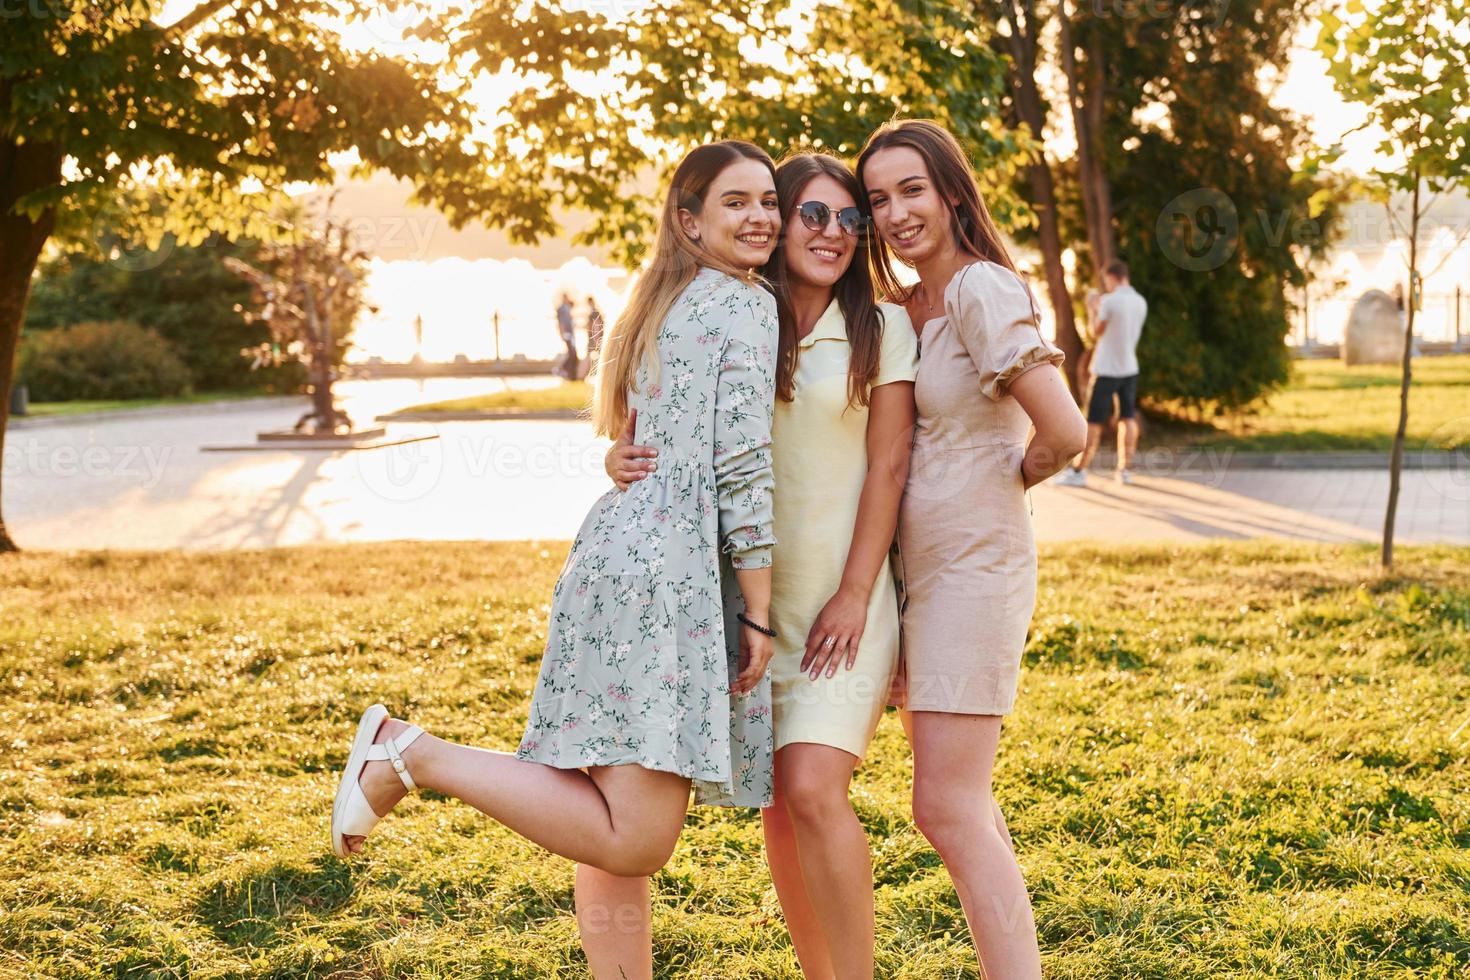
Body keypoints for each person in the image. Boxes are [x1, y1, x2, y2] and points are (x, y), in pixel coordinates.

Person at [328, 140, 783, 980]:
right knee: (637, 836)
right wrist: (757, 608)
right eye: (736, 202)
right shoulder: (747, 304)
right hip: (665, 579)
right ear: (690, 220)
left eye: (768, 202)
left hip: (614, 553)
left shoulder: (666, 298)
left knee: (603, 813)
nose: (761, 217)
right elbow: (743, 464)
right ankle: (409, 753)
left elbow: (639, 439)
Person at [607, 150, 919, 979]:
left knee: (816, 790)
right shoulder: (736, 310)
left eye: (852, 221)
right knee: (779, 805)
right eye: (813, 214)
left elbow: (889, 469)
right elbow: (664, 428)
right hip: (742, 603)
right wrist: (619, 457)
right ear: (781, 224)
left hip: (842, 603)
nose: (835, 234)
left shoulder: (884, 329)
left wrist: (857, 595)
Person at [856, 118, 1087, 980]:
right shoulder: (908, 306)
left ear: (952, 193)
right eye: (878, 199)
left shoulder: (980, 289)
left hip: (975, 575)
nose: (896, 212)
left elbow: (1065, 432)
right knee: (964, 803)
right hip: (914, 580)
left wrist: (996, 481)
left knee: (944, 807)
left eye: (911, 190)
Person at [1059, 259, 1148, 486]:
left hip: (1107, 369)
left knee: (1093, 421)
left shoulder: (1109, 301)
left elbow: (1096, 332)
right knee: (1127, 418)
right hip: (1129, 368)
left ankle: (1079, 471)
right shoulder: (1140, 302)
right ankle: (1124, 469)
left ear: (1112, 277)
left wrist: (1092, 309)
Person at [555, 292, 578, 379]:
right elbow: (560, 322)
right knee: (572, 353)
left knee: (572, 354)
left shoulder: (567, 308)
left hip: (570, 334)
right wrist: (563, 333)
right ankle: (560, 369)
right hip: (567, 334)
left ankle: (566, 372)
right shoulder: (561, 309)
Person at [586, 296, 605, 363]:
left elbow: (597, 325)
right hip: (594, 337)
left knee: (592, 353)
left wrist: (596, 337)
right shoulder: (595, 312)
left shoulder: (594, 312)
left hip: (594, 337)